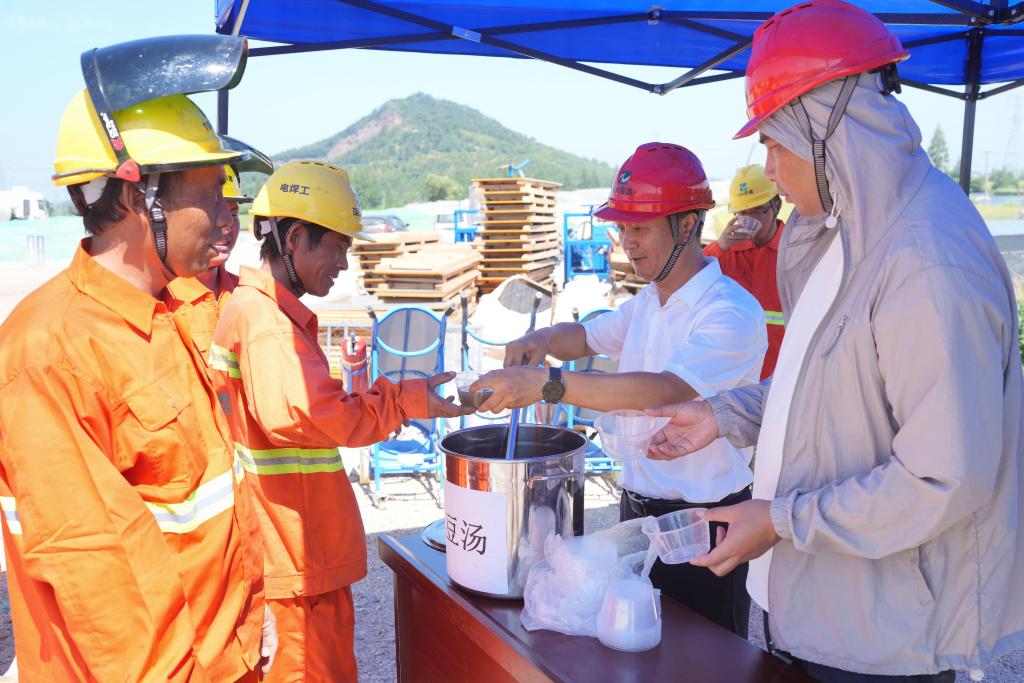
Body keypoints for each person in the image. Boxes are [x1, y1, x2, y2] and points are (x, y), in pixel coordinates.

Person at [646, 2, 1024, 680]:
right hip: (826, 611)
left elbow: (941, 476)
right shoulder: (846, 231)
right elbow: (823, 391)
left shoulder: (924, 258)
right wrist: (723, 414)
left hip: (890, 639)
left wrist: (780, 521)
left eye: (775, 143)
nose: (769, 168)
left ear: (824, 129)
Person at [0, 87, 274, 680]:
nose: (226, 214)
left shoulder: (169, 310)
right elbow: (102, 584)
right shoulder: (50, 352)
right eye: (210, 192)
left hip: (225, 655)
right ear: (135, 196)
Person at [473, 142, 766, 636]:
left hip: (704, 524)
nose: (627, 243)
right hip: (638, 511)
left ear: (687, 225)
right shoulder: (649, 302)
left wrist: (548, 385)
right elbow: (586, 336)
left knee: (703, 657)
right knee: (635, 647)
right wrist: (540, 340)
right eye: (623, 228)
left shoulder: (729, 311)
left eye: (640, 228)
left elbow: (663, 391)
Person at [209, 160, 473, 682]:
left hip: (298, 554)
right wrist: (405, 401)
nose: (342, 263)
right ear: (294, 238)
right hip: (294, 560)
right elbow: (320, 415)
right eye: (335, 246)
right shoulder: (266, 324)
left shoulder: (263, 313)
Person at [704, 165, 785, 379]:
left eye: (758, 210)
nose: (751, 219)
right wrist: (720, 247)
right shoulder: (726, 252)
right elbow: (690, 277)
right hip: (734, 376)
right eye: (743, 213)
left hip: (780, 373)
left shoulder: (794, 250)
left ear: (776, 205)